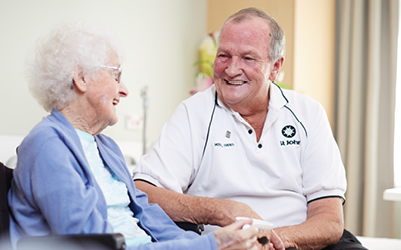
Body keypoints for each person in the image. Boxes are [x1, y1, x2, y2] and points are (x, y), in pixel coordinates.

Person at [8, 20, 264, 250]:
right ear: (81, 78)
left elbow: (148, 214)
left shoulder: (105, 147)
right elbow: (90, 242)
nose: (125, 90)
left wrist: (204, 245)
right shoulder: (47, 145)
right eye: (116, 75)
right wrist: (211, 245)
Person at [133, 8, 366, 250]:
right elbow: (144, 190)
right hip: (231, 244)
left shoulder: (308, 113)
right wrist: (220, 211)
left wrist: (272, 240)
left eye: (248, 58)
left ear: (275, 67)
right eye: (224, 55)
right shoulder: (194, 113)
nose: (232, 69)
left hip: (299, 241)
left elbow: (329, 220)